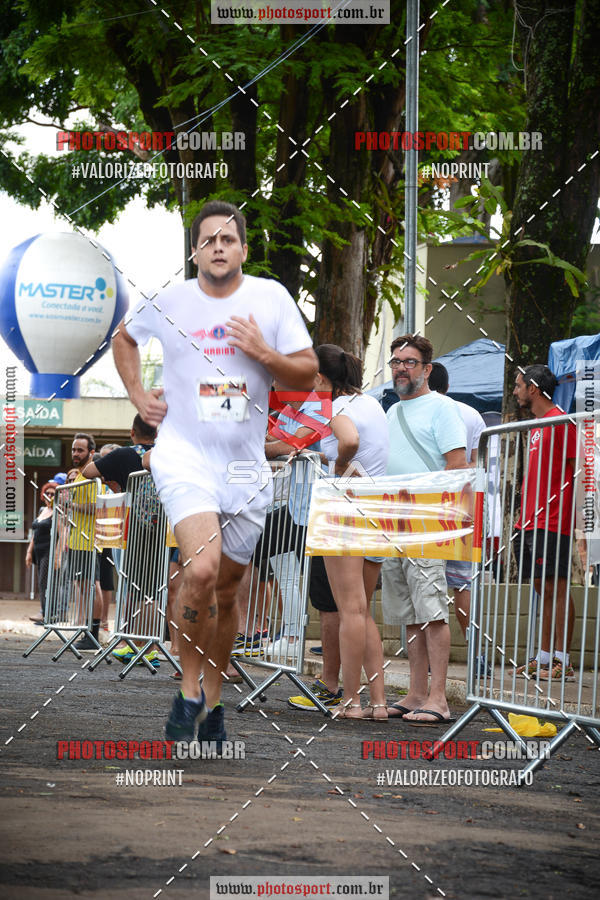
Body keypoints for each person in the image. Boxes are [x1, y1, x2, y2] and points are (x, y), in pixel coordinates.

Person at [111, 199, 317, 746]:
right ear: (196, 250)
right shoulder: (170, 299)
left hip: (247, 465)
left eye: (228, 240)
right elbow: (124, 338)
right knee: (199, 571)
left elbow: (308, 370)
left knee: (229, 592)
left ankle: (215, 701)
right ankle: (188, 687)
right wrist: (137, 394)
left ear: (243, 249)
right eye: (208, 240)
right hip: (185, 451)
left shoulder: (270, 298)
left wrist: (264, 354)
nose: (218, 248)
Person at [381, 335, 467, 725]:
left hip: (428, 523)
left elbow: (458, 464)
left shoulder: (443, 407)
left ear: (427, 369)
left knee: (432, 612)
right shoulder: (391, 412)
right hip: (395, 524)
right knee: (409, 614)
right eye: (396, 362)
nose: (401, 368)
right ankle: (416, 693)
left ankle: (438, 698)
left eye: (409, 362)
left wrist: (430, 513)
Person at [311, 343, 389, 720]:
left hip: (344, 507)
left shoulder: (336, 408)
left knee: (350, 611)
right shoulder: (371, 403)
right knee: (363, 611)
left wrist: (339, 467)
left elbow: (349, 442)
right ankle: (377, 702)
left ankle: (351, 701)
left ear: (322, 377)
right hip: (374, 509)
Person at [513, 365, 577, 681]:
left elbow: (578, 470)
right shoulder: (538, 424)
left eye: (519, 385)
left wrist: (574, 520)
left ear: (534, 389)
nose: (515, 391)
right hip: (530, 522)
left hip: (554, 521)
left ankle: (562, 661)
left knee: (557, 587)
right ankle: (544, 656)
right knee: (543, 588)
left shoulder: (562, 421)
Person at [83, 415, 160, 667]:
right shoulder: (166, 452)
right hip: (166, 525)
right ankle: (146, 644)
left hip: (136, 525)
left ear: (132, 432)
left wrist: (111, 478)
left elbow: (88, 471)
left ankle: (137, 643)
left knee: (136, 586)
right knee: (153, 587)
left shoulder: (124, 454)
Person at [427, 362, 487, 667]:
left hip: (428, 504)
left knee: (426, 579)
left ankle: (425, 655)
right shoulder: (471, 413)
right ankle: (476, 652)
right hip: (465, 501)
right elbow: (476, 460)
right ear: (448, 386)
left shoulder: (418, 410)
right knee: (463, 582)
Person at [26, 482, 57, 625]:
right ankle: (44, 612)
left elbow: (62, 534)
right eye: (47, 493)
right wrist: (29, 551)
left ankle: (48, 614)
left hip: (48, 550)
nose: (49, 496)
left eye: (52, 494)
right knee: (41, 582)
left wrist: (58, 554)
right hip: (37, 550)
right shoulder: (42, 510)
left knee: (45, 582)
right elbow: (35, 533)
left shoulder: (58, 511)